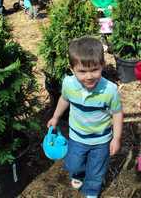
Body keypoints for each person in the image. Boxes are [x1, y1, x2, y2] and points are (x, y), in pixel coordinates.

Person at [47, 36, 123, 198]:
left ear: (102, 65)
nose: (89, 76)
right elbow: (64, 99)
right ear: (72, 68)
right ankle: (78, 175)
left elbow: (117, 114)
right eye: (82, 71)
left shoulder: (110, 90)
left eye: (94, 69)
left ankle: (91, 191)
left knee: (96, 170)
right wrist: (55, 117)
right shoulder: (68, 84)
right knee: (73, 165)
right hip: (77, 137)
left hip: (101, 140)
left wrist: (116, 138)